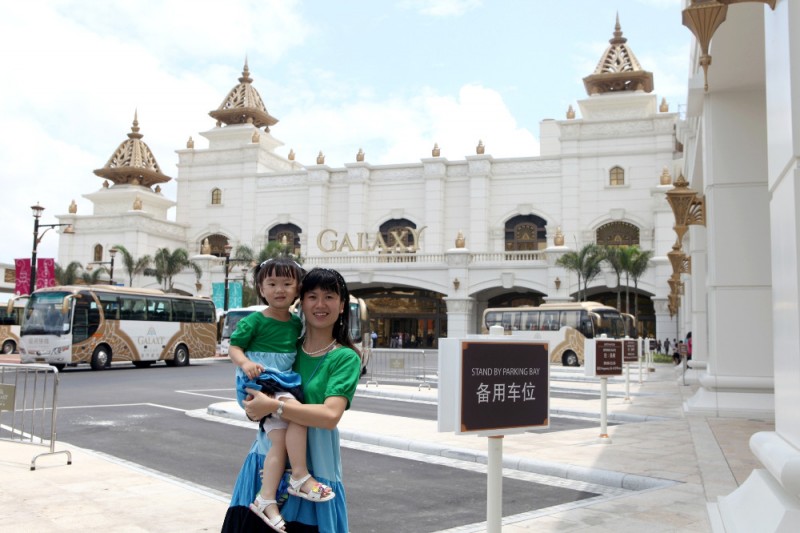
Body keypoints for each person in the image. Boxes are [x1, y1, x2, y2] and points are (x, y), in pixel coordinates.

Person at [222, 267, 363, 533]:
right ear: (301, 302)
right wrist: (254, 407)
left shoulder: (345, 357)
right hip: (266, 463)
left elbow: (330, 416)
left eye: (329, 297)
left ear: (342, 305)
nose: (320, 305)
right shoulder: (286, 350)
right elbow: (252, 400)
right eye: (312, 297)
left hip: (315, 469)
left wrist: (274, 406)